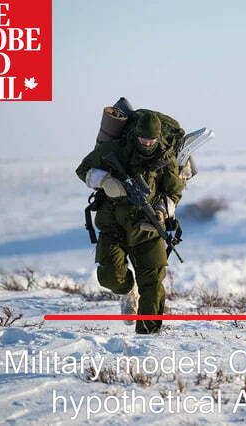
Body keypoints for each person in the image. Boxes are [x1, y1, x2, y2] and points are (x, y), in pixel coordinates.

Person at [76, 110, 185, 334]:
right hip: (113, 224)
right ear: (136, 135)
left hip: (147, 228)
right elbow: (83, 170)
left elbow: (174, 193)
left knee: (153, 285)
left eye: (152, 140)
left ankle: (148, 338)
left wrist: (161, 213)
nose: (147, 144)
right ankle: (127, 291)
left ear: (158, 138)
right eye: (143, 139)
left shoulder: (165, 158)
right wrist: (105, 181)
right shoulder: (116, 149)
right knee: (111, 277)